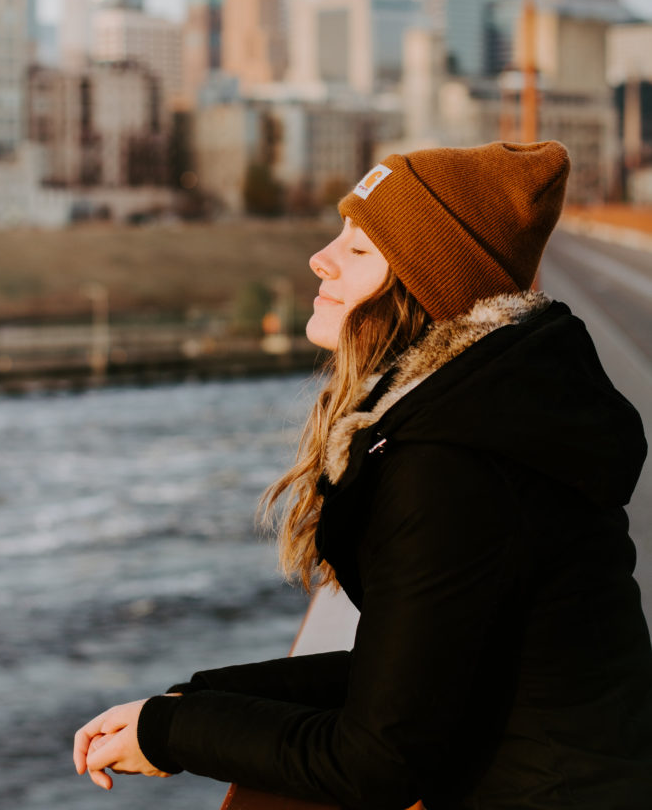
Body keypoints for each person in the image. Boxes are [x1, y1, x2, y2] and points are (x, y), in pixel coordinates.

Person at [74, 141, 652, 809]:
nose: (319, 257)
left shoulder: (450, 468)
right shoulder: (472, 418)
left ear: (424, 284)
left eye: (356, 249)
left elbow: (377, 761)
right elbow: (408, 678)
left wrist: (170, 732)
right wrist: (191, 702)